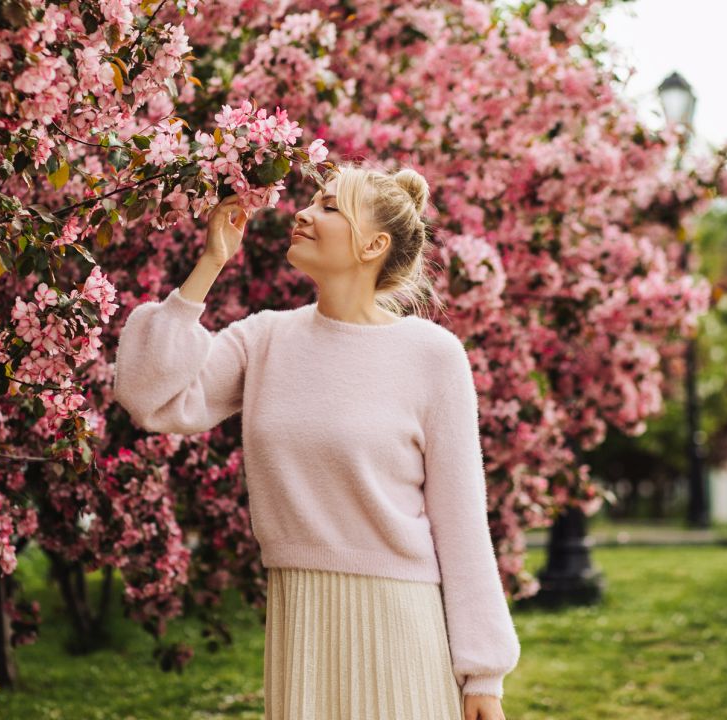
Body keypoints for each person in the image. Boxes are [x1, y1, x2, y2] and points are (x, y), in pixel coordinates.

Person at [112, 162, 520, 720]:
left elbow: (462, 521)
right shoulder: (266, 338)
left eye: (329, 206)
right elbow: (147, 397)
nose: (302, 212)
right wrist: (208, 265)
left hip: (400, 625)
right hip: (300, 618)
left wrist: (484, 676)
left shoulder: (432, 356)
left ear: (373, 244)